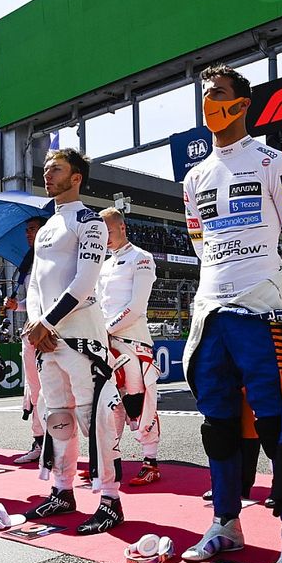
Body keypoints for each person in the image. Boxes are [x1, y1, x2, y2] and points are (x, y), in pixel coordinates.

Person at [180, 65, 282, 563]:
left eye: (217, 94)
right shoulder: (193, 178)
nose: (208, 103)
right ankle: (225, 523)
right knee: (218, 427)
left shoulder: (276, 162)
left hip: (264, 310)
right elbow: (199, 245)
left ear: (242, 103)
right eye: (204, 96)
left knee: (279, 422)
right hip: (210, 312)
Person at [22, 148, 125, 535]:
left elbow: (85, 281)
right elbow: (35, 283)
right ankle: (62, 491)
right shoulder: (46, 226)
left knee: (94, 419)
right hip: (48, 340)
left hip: (82, 337)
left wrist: (47, 323)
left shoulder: (90, 221)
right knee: (57, 419)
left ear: (77, 177)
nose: (48, 175)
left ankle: (110, 500)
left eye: (57, 169)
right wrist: (37, 323)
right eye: (46, 169)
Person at [97, 206, 163, 485]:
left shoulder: (142, 258)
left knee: (140, 401)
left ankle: (151, 461)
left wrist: (106, 330)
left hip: (133, 343)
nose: (106, 239)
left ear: (122, 228)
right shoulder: (102, 263)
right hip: (105, 343)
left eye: (109, 232)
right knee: (111, 404)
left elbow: (136, 307)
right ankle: (113, 459)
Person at [7, 216, 47, 464]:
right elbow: (33, 304)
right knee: (34, 391)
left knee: (53, 392)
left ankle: (58, 444)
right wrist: (17, 306)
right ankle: (39, 442)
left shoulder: (55, 257)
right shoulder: (27, 261)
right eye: (26, 230)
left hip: (52, 334)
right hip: (30, 334)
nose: (28, 234)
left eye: (32, 229)